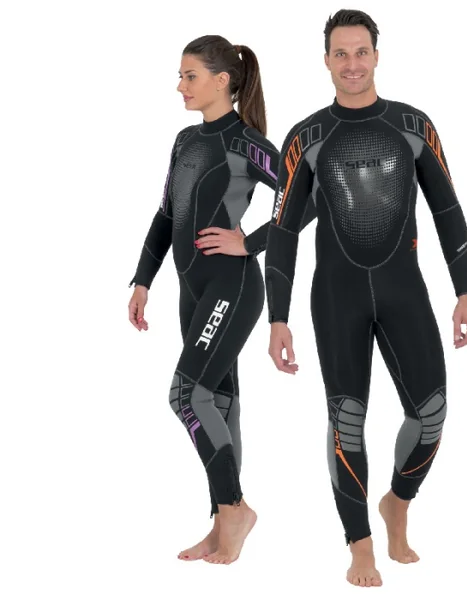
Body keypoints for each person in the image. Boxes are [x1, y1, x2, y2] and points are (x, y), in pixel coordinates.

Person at [264, 9, 467, 588]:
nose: (352, 63)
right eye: (341, 53)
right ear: (326, 60)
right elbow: (283, 230)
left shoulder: (413, 124)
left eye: (361, 51)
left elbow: (448, 209)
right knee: (347, 420)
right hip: (336, 297)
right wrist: (277, 317)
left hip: (403, 288)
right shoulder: (306, 137)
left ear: (377, 56)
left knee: (431, 413)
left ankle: (397, 502)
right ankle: (359, 544)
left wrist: (465, 290)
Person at [127, 34, 315, 566]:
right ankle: (221, 520)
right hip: (192, 290)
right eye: (181, 76)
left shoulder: (246, 142)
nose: (180, 86)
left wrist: (249, 242)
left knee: (186, 395)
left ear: (222, 80)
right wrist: (142, 280)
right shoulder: (185, 140)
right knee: (217, 399)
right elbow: (167, 215)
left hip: (232, 286)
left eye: (190, 76)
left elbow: (307, 196)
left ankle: (235, 509)